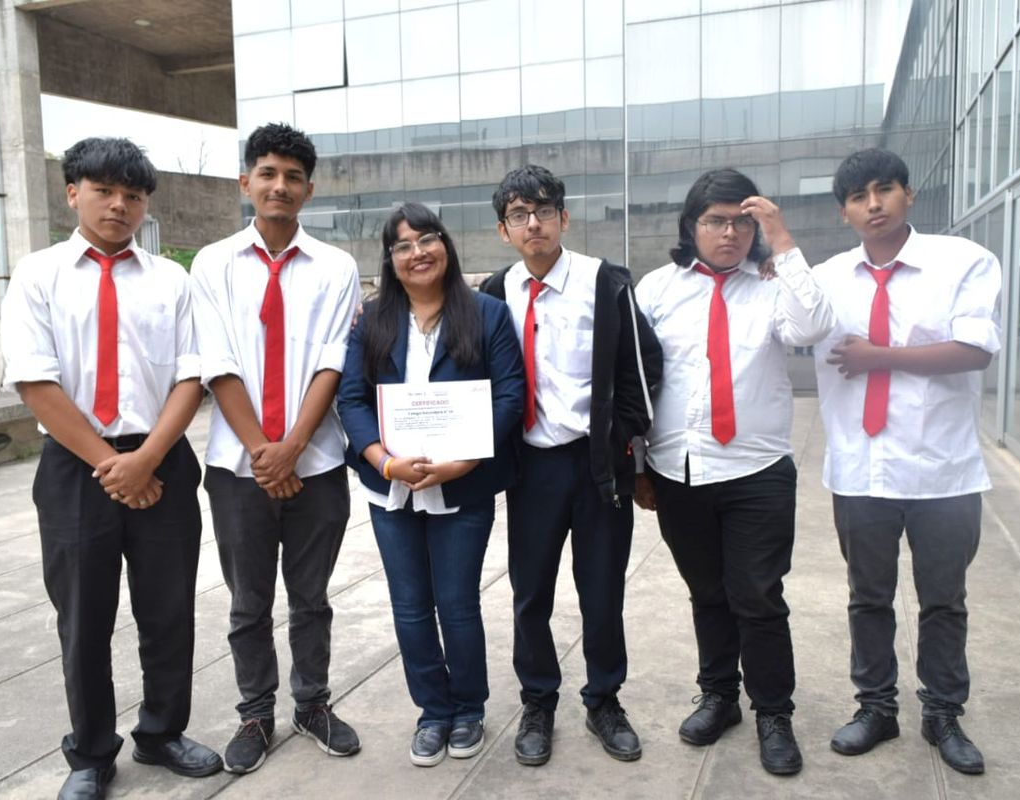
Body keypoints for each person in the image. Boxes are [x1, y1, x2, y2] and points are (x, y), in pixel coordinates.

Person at [1, 137, 221, 800]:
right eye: (104, 191)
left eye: (133, 195)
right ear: (74, 193)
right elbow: (35, 382)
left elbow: (193, 375)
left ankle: (162, 732)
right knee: (83, 618)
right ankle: (92, 753)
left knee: (168, 610)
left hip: (162, 459)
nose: (119, 205)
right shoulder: (38, 275)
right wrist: (112, 465)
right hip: (76, 466)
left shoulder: (171, 280)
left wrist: (146, 460)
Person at [632, 169, 834, 776]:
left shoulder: (772, 285)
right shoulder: (657, 289)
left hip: (755, 470)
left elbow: (814, 326)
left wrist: (783, 241)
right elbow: (634, 379)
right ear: (690, 226)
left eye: (742, 222)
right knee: (708, 593)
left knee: (758, 596)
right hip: (679, 470)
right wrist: (637, 464)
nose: (730, 233)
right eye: (716, 221)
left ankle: (774, 712)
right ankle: (719, 696)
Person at [812, 148, 1001, 775]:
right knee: (868, 597)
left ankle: (943, 712)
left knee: (943, 600)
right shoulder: (828, 278)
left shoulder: (963, 261)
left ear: (908, 194)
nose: (874, 205)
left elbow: (975, 349)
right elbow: (788, 322)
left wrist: (880, 356)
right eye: (858, 197)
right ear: (843, 212)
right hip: (860, 469)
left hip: (942, 471)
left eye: (885, 190)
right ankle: (876, 707)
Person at [190, 123, 362, 774]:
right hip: (237, 469)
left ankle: (312, 704)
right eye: (267, 173)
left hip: (316, 465)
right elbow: (217, 362)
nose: (279, 186)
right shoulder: (212, 264)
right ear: (246, 182)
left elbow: (332, 362)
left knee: (311, 598)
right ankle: (255, 713)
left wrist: (291, 449)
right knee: (248, 603)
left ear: (309, 190)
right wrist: (265, 453)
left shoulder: (336, 268)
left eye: (293, 177)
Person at [480, 165, 663, 766]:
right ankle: (538, 701)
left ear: (563, 217)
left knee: (602, 590)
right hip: (531, 468)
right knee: (530, 592)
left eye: (543, 211)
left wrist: (628, 444)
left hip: (596, 465)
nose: (532, 223)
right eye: (518, 215)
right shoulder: (494, 293)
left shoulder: (606, 282)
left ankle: (604, 700)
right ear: (504, 230)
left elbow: (643, 367)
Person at [337, 203, 524, 767]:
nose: (417, 253)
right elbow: (351, 398)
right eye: (403, 245)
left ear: (445, 244)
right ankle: (433, 711)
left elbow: (510, 395)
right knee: (411, 606)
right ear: (390, 259)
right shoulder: (373, 320)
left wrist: (463, 462)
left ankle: (468, 708)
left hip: (462, 488)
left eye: (427, 239)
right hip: (390, 489)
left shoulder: (487, 313)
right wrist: (383, 461)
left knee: (457, 604)